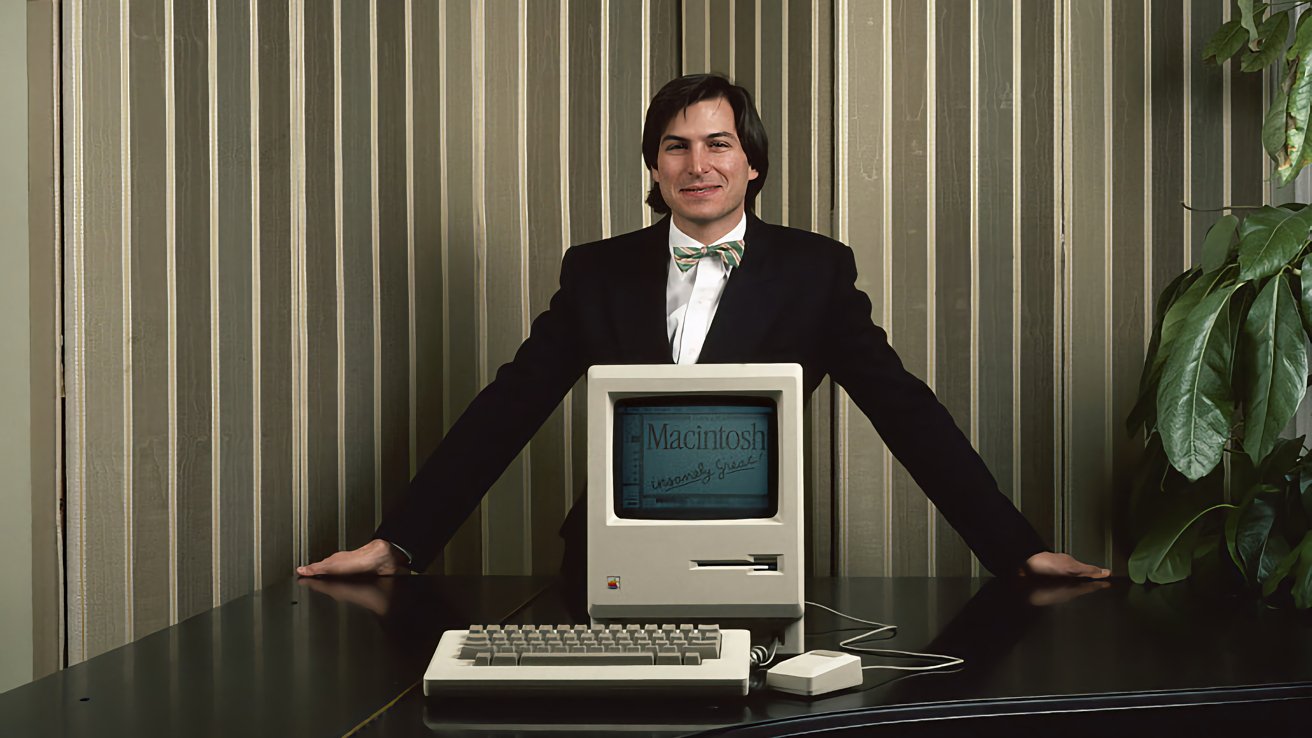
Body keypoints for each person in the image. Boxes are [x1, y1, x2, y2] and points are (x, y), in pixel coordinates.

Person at [297, 74, 1110, 581]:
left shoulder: (815, 270)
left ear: (751, 161)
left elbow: (907, 411)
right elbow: (509, 408)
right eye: (676, 147)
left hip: (756, 555)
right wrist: (396, 544)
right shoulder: (597, 269)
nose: (698, 165)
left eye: (718, 143)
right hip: (605, 561)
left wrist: (1016, 550)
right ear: (655, 167)